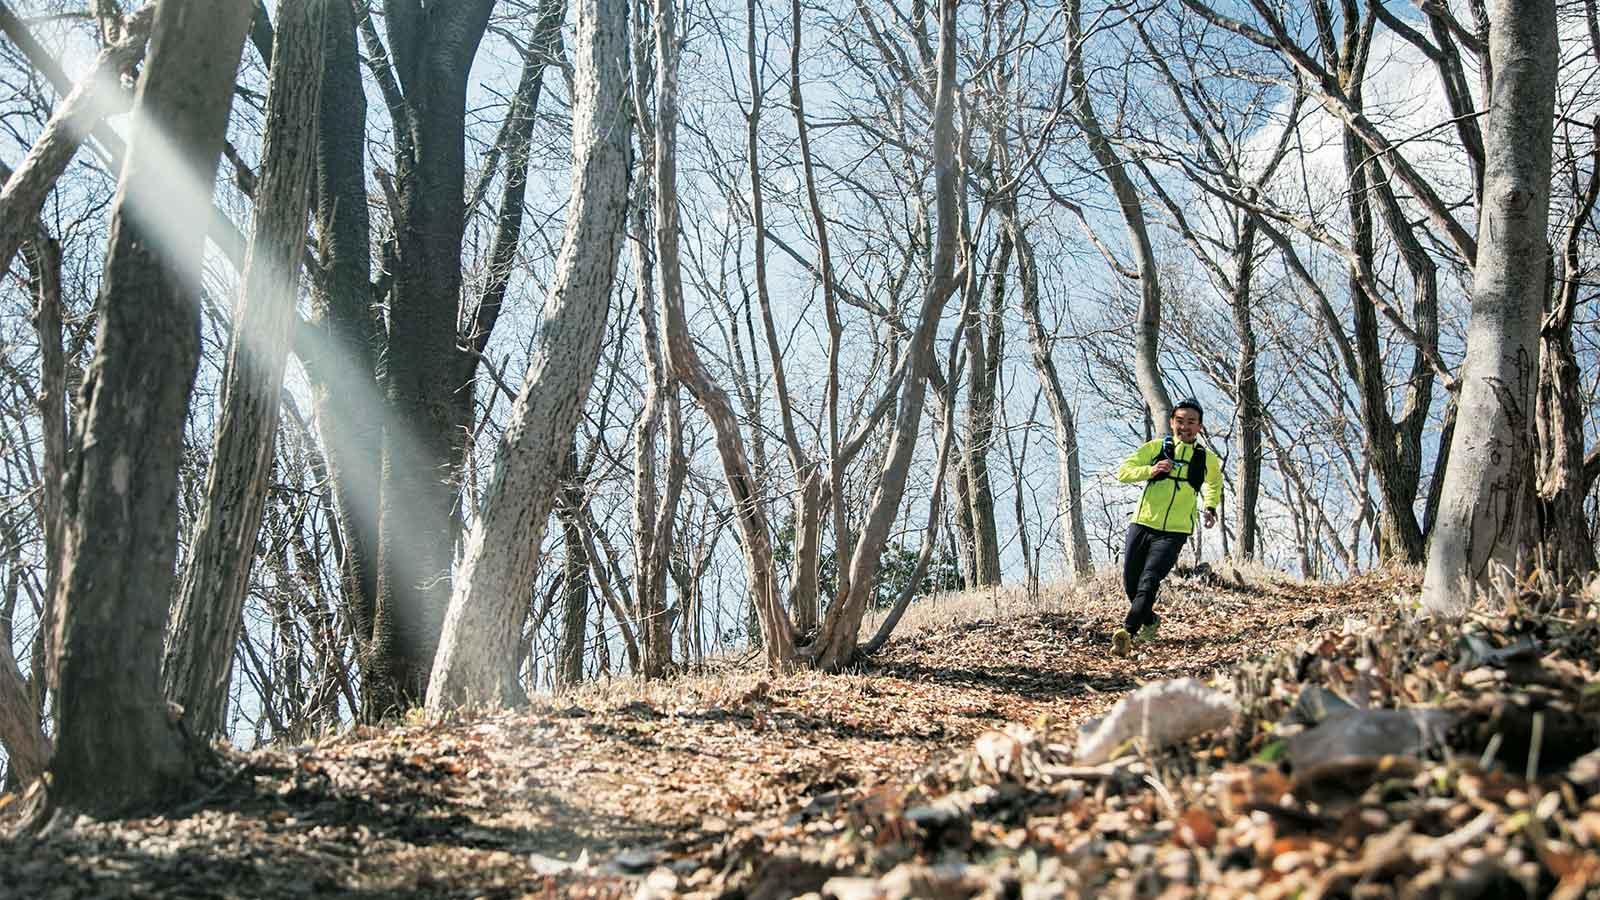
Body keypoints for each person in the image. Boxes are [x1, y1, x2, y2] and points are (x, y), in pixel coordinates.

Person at [1110, 399, 1223, 655]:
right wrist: (1151, 469)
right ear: (1172, 423)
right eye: (1180, 421)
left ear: (1200, 427)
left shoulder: (1206, 459)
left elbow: (1215, 484)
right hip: (1143, 522)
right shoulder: (1156, 448)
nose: (1185, 427)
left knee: (1149, 580)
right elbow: (1123, 472)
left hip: (1175, 530)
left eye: (1191, 422)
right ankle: (1150, 621)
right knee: (1131, 582)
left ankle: (1127, 632)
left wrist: (1211, 506)